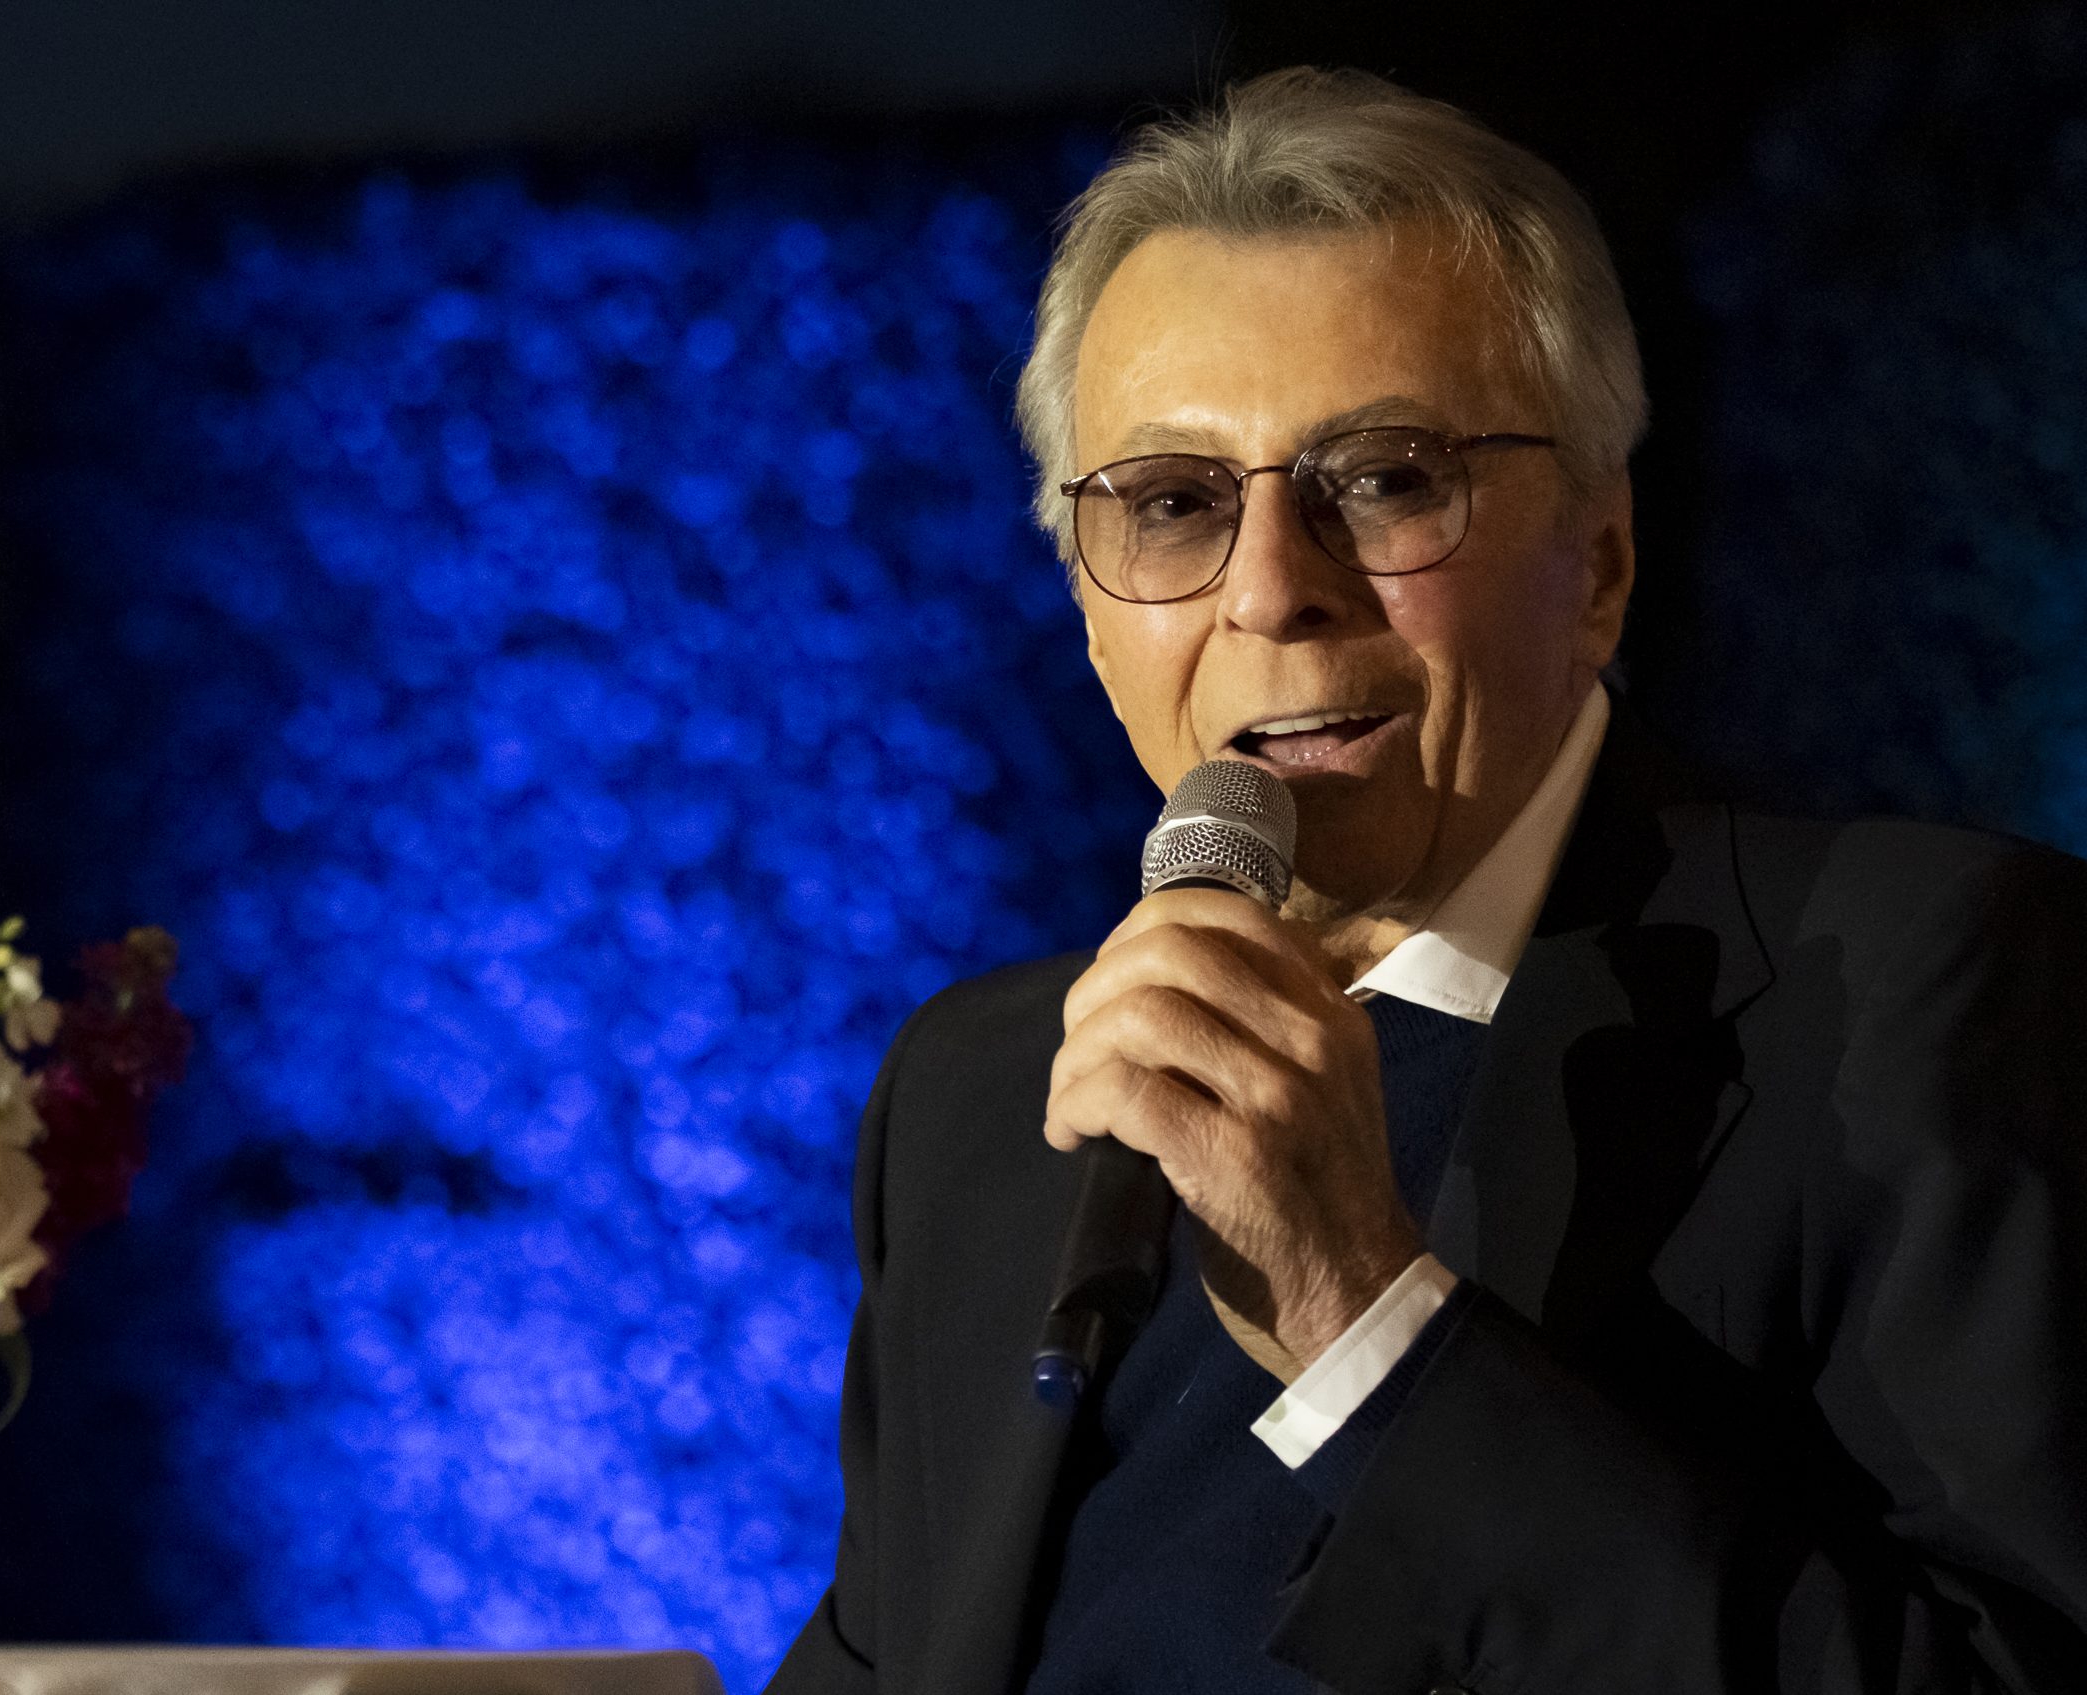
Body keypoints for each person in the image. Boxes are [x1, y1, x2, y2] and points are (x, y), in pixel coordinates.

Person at [766, 66, 2087, 1695]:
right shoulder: (977, 1094)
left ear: (1597, 559)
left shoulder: (1938, 982)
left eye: (1386, 480)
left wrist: (1362, 1322)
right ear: (1092, 613)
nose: (1269, 590)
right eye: (1173, 505)